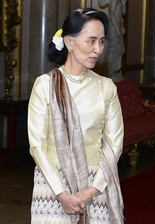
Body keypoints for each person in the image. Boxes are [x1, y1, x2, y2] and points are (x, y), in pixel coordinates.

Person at [28, 8, 124, 224]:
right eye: (90, 41)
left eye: (101, 41)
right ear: (69, 43)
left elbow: (114, 145)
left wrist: (92, 190)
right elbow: (37, 145)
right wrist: (62, 193)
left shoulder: (106, 87)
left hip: (97, 183)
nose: (97, 49)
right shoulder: (45, 85)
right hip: (52, 185)